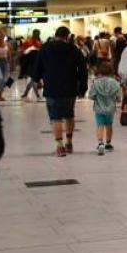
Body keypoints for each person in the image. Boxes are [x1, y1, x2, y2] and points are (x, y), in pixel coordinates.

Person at [32, 26, 89, 157]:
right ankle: (69, 143)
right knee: (69, 115)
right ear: (67, 36)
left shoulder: (45, 48)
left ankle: (60, 146)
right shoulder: (73, 49)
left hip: (52, 87)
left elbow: (38, 66)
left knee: (55, 118)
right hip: (70, 87)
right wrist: (83, 88)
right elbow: (83, 69)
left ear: (55, 35)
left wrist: (37, 79)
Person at [89, 60, 122, 154]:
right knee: (109, 125)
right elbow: (118, 98)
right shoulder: (115, 83)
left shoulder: (96, 83)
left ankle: (100, 143)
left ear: (100, 71)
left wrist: (96, 98)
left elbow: (91, 96)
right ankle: (108, 143)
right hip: (110, 109)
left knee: (100, 125)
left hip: (99, 109)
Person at [19, 29, 43, 100]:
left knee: (33, 79)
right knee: (33, 79)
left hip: (33, 64)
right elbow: (23, 52)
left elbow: (23, 52)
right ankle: (37, 95)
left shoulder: (38, 42)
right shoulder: (32, 42)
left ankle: (25, 94)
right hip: (31, 64)